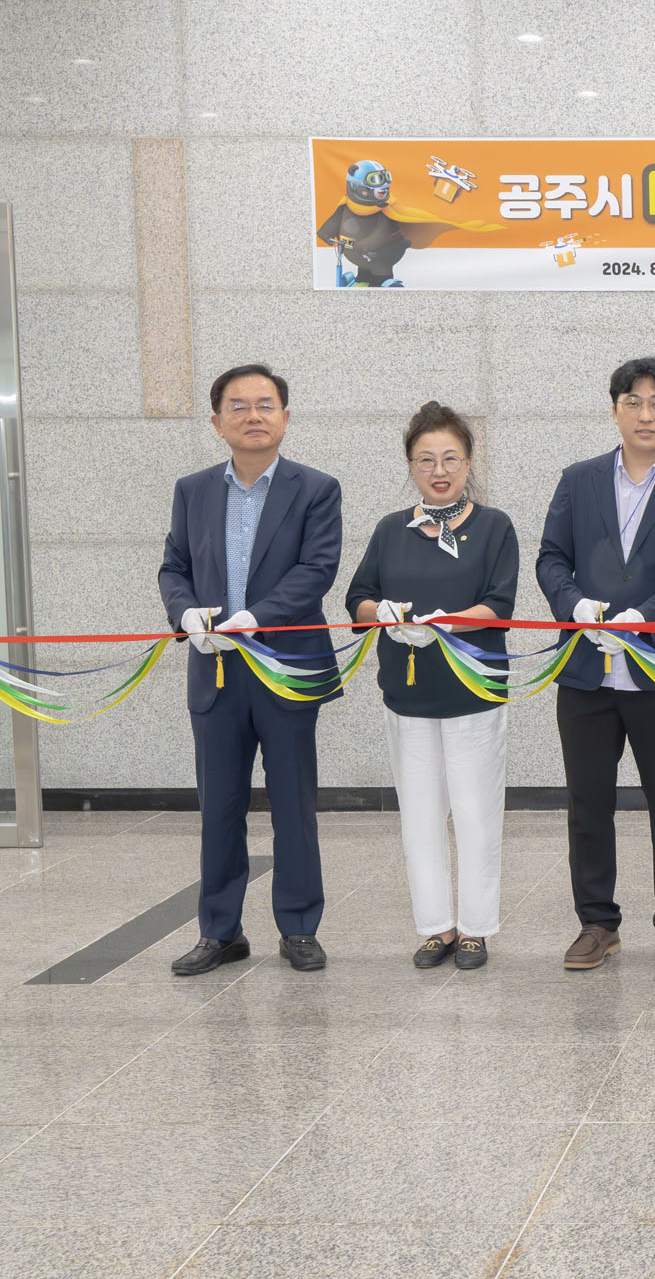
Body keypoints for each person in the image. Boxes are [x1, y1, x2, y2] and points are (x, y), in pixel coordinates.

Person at [537, 357, 655, 971]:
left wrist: (643, 616)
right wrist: (574, 606)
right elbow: (551, 558)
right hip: (584, 668)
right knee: (587, 802)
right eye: (633, 402)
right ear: (615, 409)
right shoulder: (578, 479)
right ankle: (597, 923)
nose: (646, 414)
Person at [158, 363, 342, 975]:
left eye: (265, 404)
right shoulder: (193, 490)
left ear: (286, 417)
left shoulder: (316, 489)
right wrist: (185, 614)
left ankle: (299, 928)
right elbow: (174, 567)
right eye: (238, 406)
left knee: (293, 804)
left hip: (285, 666)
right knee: (219, 807)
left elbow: (316, 570)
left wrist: (255, 617)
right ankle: (220, 932)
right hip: (214, 671)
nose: (253, 415)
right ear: (217, 422)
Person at [344, 401, 519, 971]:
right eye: (426, 460)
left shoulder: (494, 527)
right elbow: (358, 599)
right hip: (408, 694)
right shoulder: (390, 530)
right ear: (410, 466)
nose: (438, 471)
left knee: (475, 813)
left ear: (468, 462)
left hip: (472, 691)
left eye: (450, 458)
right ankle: (436, 926)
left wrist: (444, 624)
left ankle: (475, 928)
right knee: (419, 816)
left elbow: (499, 604)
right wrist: (383, 614)